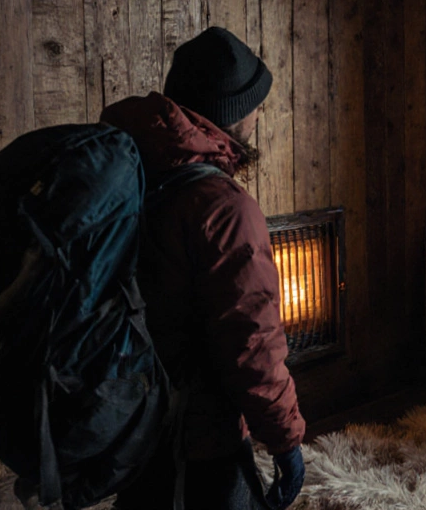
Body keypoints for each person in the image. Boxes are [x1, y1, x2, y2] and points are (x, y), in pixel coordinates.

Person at [102, 27, 305, 510]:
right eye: (255, 105)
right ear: (231, 112)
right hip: (200, 441)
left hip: (134, 423)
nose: (259, 115)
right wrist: (286, 440)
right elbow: (252, 343)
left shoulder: (135, 171)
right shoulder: (223, 208)